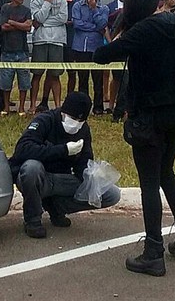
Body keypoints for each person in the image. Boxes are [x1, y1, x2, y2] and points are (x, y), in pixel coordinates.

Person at [94, 0, 175, 276]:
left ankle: (153, 252)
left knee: (149, 181)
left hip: (149, 116)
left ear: (132, 1)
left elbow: (101, 56)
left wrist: (121, 32)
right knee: (166, 171)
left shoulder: (140, 31)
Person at [9, 91, 121, 238]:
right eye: (73, 118)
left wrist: (92, 174)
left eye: (80, 120)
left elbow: (83, 161)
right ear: (63, 112)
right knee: (31, 168)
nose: (75, 123)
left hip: (61, 180)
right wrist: (63, 150)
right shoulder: (45, 120)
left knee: (111, 193)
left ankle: (57, 207)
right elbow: (22, 149)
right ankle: (32, 220)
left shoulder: (83, 130)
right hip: (39, 178)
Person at [29, 0, 67, 113]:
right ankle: (33, 105)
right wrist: (47, 3)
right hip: (40, 40)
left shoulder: (61, 0)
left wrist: (44, 22)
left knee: (55, 74)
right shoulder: (34, 2)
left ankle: (57, 106)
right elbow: (37, 17)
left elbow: (63, 18)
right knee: (37, 74)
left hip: (57, 40)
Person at [71, 0, 109, 115]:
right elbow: (77, 24)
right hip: (81, 47)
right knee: (82, 79)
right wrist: (94, 27)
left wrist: (94, 10)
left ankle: (98, 107)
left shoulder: (103, 8)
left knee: (98, 80)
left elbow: (103, 24)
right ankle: (83, 106)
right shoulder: (77, 6)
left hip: (96, 47)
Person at [0, 0, 32, 116]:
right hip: (7, 50)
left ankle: (22, 108)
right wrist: (21, 25)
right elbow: (3, 26)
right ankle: (6, 107)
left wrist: (13, 23)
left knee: (24, 82)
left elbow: (28, 27)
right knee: (6, 82)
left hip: (22, 51)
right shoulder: (5, 8)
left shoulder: (26, 10)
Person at [62, 0, 79, 95]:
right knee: (54, 72)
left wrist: (74, 22)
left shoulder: (78, 4)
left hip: (73, 42)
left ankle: (70, 95)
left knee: (72, 72)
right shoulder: (59, 3)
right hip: (60, 41)